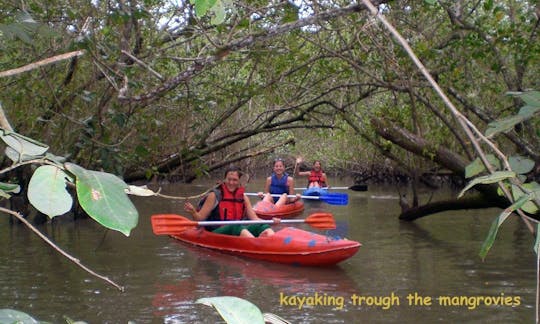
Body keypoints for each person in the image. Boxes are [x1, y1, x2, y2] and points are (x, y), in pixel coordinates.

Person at [184, 166, 278, 238]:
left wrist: (270, 222)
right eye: (229, 179)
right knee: (235, 226)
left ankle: (273, 242)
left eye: (234, 180)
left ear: (239, 181)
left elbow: (254, 219)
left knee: (261, 225)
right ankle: (257, 243)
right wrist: (193, 212)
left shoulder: (244, 197)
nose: (231, 183)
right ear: (224, 179)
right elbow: (199, 219)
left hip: (236, 230)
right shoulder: (214, 196)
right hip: (216, 232)